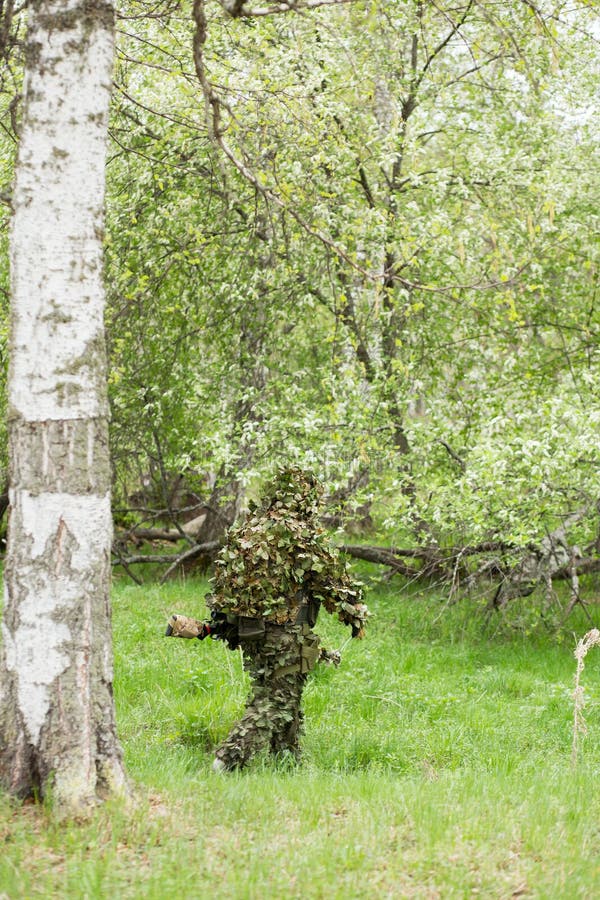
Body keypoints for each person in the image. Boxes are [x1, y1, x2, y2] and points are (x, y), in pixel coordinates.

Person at [166, 466, 368, 771]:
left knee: (283, 693)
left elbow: (224, 582)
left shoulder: (248, 529)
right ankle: (227, 759)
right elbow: (331, 578)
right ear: (306, 499)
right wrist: (354, 615)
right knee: (278, 700)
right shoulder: (300, 532)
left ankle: (285, 763)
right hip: (284, 630)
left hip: (249, 631)